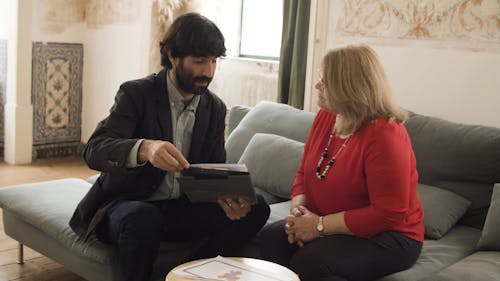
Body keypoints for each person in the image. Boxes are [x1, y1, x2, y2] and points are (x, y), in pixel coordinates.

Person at [69, 13, 270, 281]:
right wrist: (144, 149)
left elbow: (213, 171)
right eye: (200, 61)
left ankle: (189, 274)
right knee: (143, 218)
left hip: (181, 209)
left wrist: (227, 197)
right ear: (173, 56)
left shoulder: (214, 108)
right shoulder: (136, 94)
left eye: (213, 61)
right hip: (127, 206)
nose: (208, 72)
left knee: (259, 207)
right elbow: (94, 149)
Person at [259, 44, 424, 281]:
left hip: (389, 236)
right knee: (271, 239)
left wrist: (318, 226)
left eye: (325, 82)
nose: (317, 86)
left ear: (349, 88)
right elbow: (304, 173)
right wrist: (299, 212)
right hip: (325, 221)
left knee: (310, 261)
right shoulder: (327, 116)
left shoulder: (385, 135)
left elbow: (389, 213)